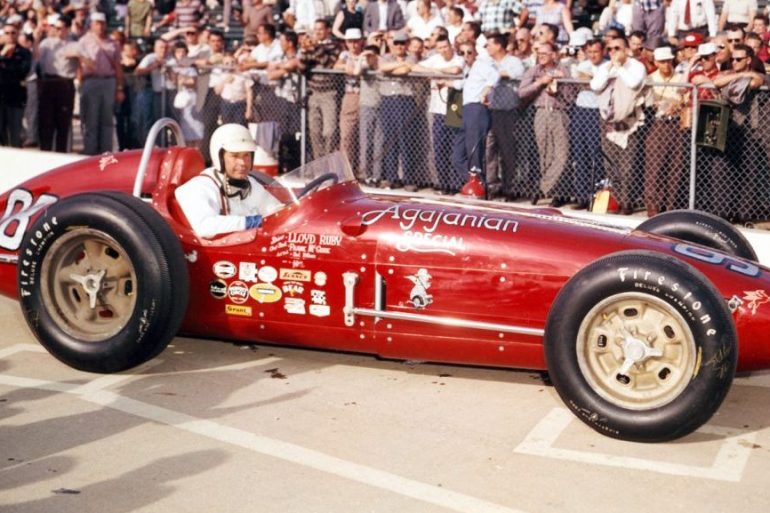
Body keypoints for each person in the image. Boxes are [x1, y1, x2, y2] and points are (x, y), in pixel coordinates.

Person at [175, 123, 283, 239]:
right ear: (220, 157)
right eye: (235, 156)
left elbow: (276, 211)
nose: (242, 163)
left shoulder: (250, 183)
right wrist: (252, 222)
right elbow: (205, 226)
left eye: (246, 155)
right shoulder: (198, 188)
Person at [591, 35, 647, 214]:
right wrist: (610, 68)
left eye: (617, 48)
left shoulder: (636, 66)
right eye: (610, 49)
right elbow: (595, 86)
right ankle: (617, 201)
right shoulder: (605, 67)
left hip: (629, 122)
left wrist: (620, 67)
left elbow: (634, 83)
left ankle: (627, 202)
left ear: (627, 50)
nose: (613, 52)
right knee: (610, 164)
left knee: (627, 165)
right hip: (608, 123)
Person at [519, 41, 571, 206]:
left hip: (559, 113)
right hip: (541, 112)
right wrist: (539, 83)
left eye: (544, 53)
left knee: (562, 155)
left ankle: (543, 187)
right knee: (545, 155)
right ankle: (554, 192)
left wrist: (560, 86)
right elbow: (521, 92)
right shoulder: (534, 71)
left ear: (553, 55)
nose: (540, 56)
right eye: (539, 53)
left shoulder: (563, 70)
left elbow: (571, 97)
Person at [413, 35, 463, 194]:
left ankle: (455, 184)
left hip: (454, 102)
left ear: (451, 46)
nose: (443, 50)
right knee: (439, 148)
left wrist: (436, 72)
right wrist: (435, 71)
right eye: (440, 48)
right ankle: (443, 184)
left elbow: (456, 70)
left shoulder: (458, 58)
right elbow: (415, 68)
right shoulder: (435, 59)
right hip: (438, 107)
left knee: (454, 147)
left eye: (445, 47)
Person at [643, 45, 688, 216]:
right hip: (657, 124)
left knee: (675, 166)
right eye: (662, 62)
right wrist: (659, 105)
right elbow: (647, 101)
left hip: (676, 124)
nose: (666, 65)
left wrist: (677, 105)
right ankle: (653, 206)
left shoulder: (680, 77)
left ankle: (670, 206)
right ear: (656, 62)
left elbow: (686, 98)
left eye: (668, 61)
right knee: (655, 167)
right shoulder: (650, 78)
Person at [451, 40, 500, 192]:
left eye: (469, 52)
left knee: (474, 153)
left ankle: (479, 187)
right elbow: (461, 85)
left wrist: (487, 89)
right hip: (465, 110)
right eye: (462, 53)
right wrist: (443, 82)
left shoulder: (480, 65)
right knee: (457, 157)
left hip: (476, 109)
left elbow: (495, 75)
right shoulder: (468, 70)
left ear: (476, 53)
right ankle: (477, 183)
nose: (466, 56)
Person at [77, 12, 124, 155]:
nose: (100, 27)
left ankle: (106, 153)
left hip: (109, 81)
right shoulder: (84, 41)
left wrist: (119, 88)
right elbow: (78, 64)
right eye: (97, 23)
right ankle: (90, 153)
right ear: (91, 25)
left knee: (107, 120)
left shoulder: (112, 43)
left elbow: (118, 66)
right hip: (91, 81)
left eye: (102, 23)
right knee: (90, 119)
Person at [570, 38, 605, 210]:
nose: (592, 55)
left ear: (602, 51)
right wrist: (591, 80)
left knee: (596, 154)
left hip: (596, 111)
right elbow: (579, 80)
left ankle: (598, 197)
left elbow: (597, 85)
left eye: (596, 51)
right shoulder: (583, 65)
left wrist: (590, 80)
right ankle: (582, 196)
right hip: (581, 109)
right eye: (589, 52)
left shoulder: (606, 66)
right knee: (580, 153)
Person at [36, 15, 79, 152]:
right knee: (46, 122)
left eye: (61, 28)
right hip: (48, 82)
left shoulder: (74, 45)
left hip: (65, 83)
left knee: (63, 123)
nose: (58, 31)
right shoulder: (47, 43)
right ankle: (45, 152)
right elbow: (37, 61)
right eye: (56, 28)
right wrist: (36, 39)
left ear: (68, 28)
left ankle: (62, 153)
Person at [0, 22, 31, 148]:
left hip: (16, 97)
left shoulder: (24, 52)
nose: (10, 35)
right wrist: (2, 56)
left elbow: (23, 71)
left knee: (15, 134)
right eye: (7, 33)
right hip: (1, 96)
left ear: (17, 34)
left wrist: (5, 65)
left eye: (13, 33)